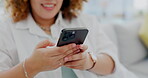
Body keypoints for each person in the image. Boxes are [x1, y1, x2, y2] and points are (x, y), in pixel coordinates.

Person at [0, 0, 137, 78]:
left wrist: (89, 62)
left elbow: (112, 64)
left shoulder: (86, 20)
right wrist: (31, 66)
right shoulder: (5, 29)